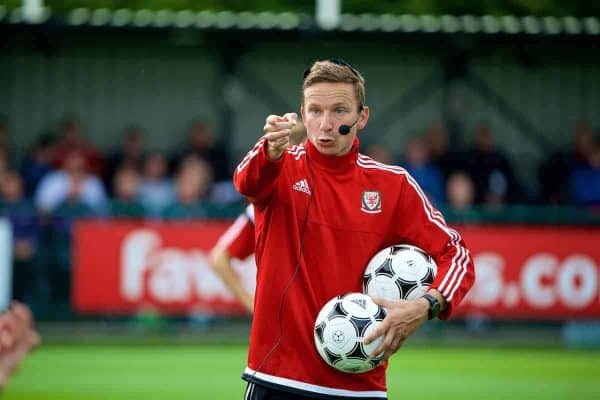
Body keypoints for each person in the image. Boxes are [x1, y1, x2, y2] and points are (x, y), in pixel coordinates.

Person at [233, 59, 475, 399]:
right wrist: (270, 148)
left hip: (360, 387)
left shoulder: (394, 186)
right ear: (302, 115)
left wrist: (424, 306)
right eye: (315, 111)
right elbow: (246, 182)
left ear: (361, 117)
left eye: (339, 111)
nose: (326, 124)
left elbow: (457, 255)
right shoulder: (281, 166)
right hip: (276, 378)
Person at [210, 121, 307, 314]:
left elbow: (218, 258)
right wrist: (252, 305)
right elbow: (219, 258)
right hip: (292, 313)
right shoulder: (268, 203)